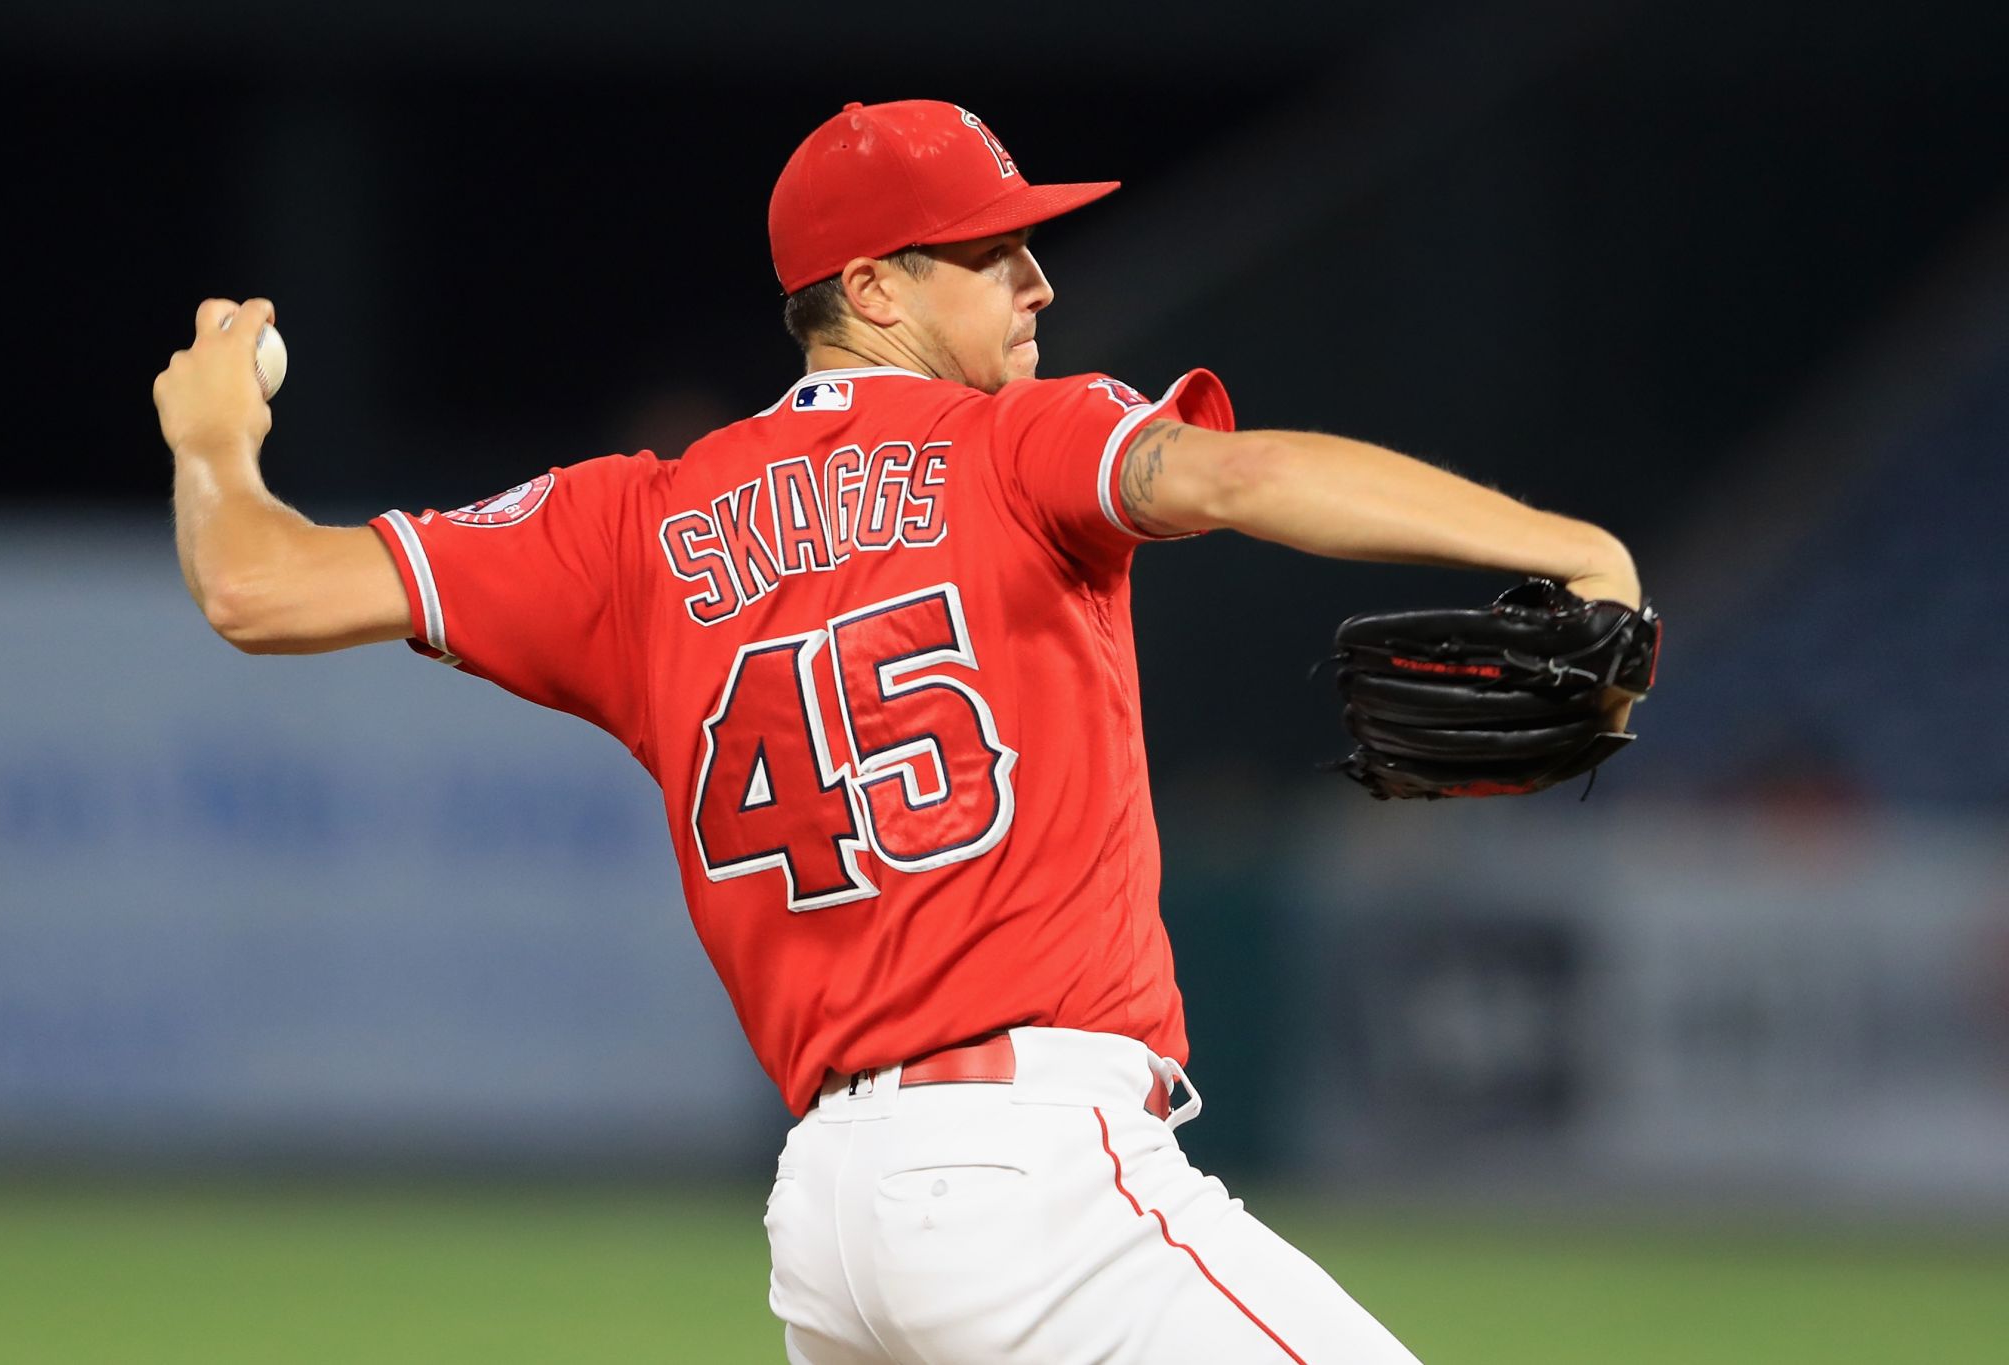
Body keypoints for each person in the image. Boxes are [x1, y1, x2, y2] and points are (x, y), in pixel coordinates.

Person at [153, 99, 1640, 1364]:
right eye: (993, 249)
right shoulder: (1014, 445)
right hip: (1034, 1171)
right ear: (873, 288)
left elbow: (258, 582)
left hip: (832, 1222)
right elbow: (1232, 477)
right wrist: (1568, 541)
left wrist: (214, 443)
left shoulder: (631, 525)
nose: (1039, 279)